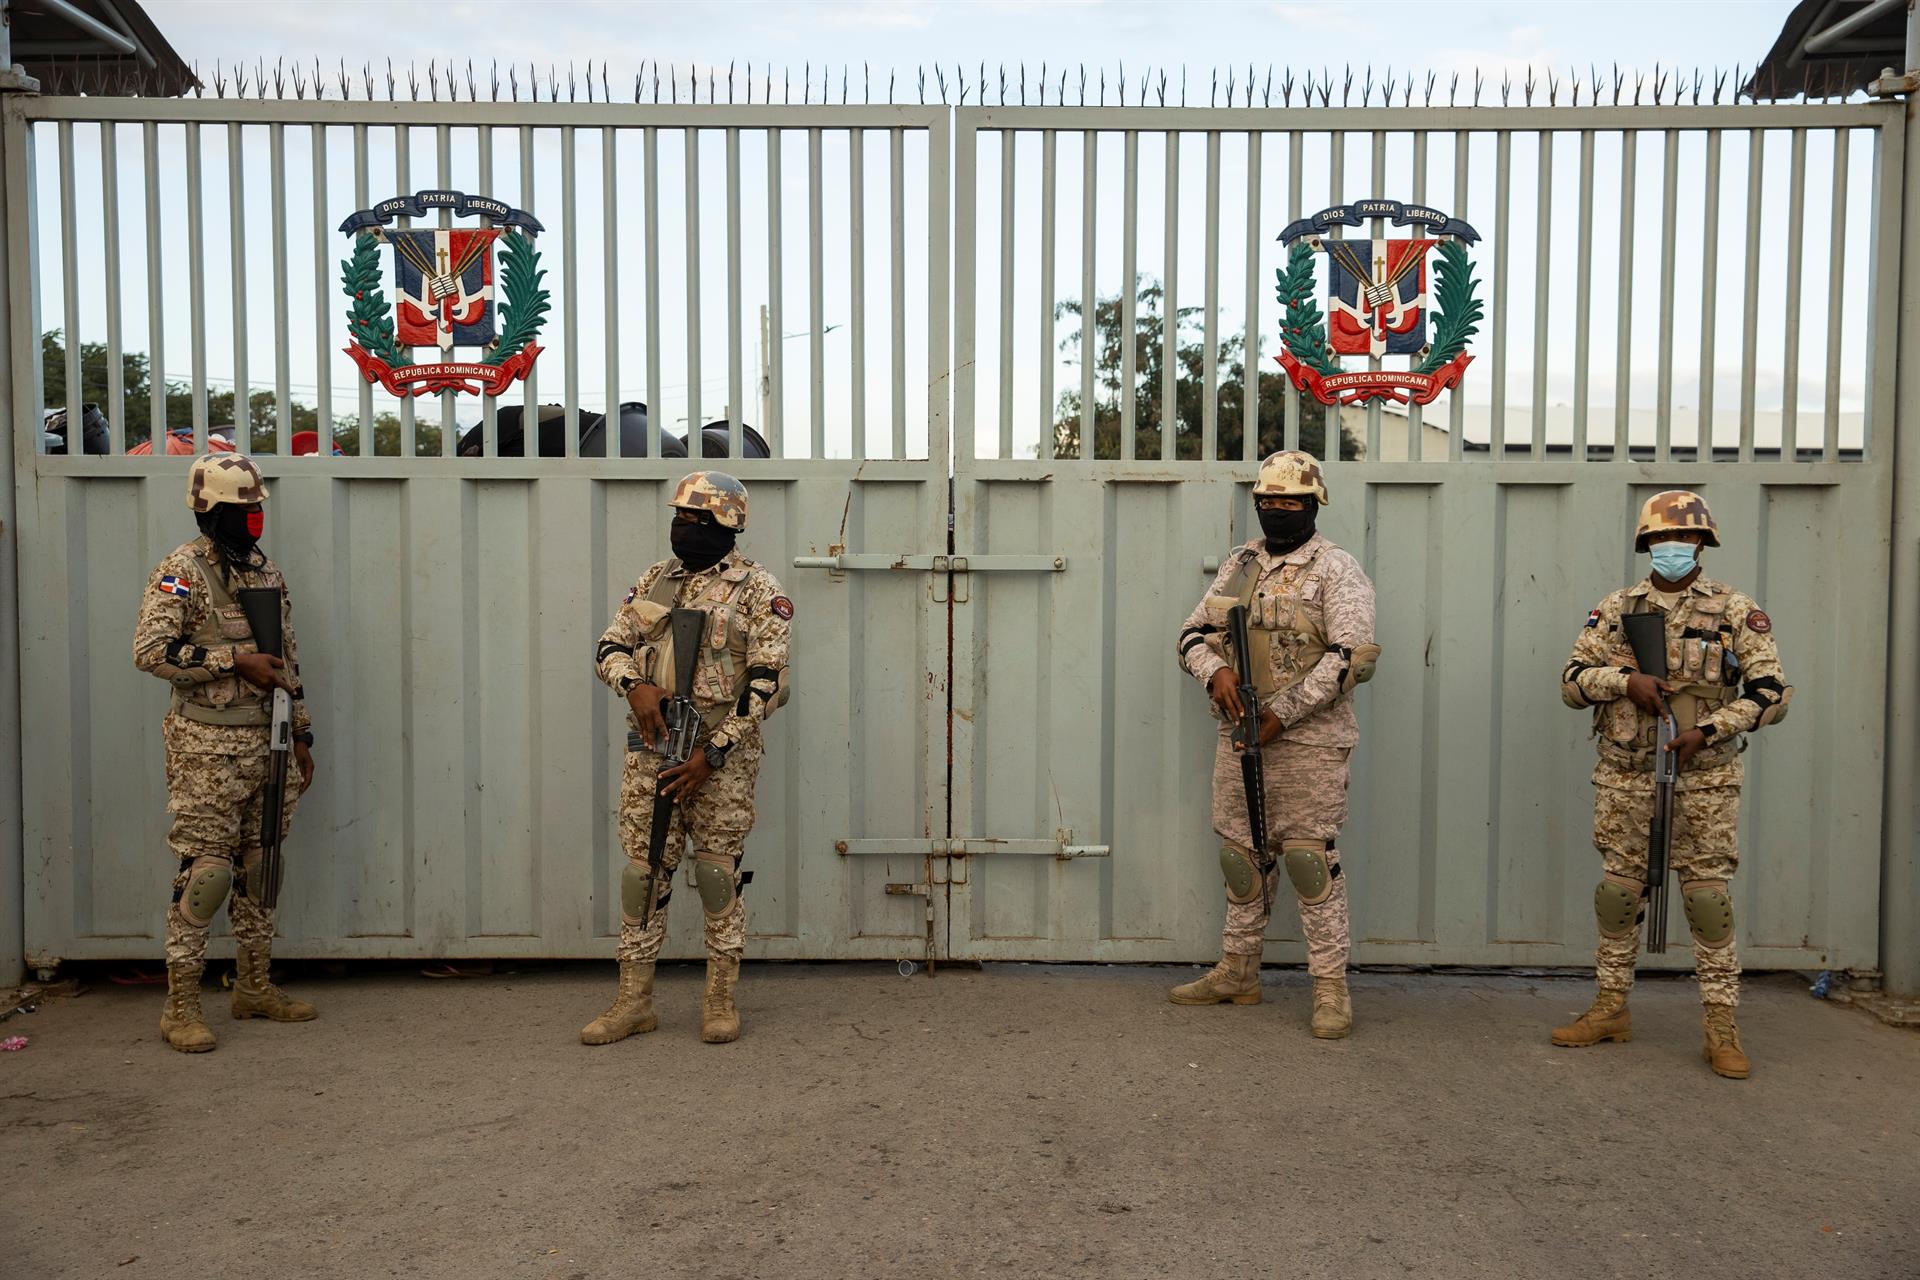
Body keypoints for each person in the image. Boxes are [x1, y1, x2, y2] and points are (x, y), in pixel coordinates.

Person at [1554, 490, 1792, 1079]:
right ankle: (1611, 1009)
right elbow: (1572, 681)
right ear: (1646, 544)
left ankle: (1721, 1027)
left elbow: (1772, 693)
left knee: (1706, 900)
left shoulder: (1735, 609)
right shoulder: (1617, 607)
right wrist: (1624, 681)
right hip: (1626, 774)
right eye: (1661, 539)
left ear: (1703, 544)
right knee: (1618, 895)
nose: (1673, 548)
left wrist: (1711, 729)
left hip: (1705, 779)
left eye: (1684, 539)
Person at [1170, 451, 1380, 1038]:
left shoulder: (1336, 569)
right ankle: (1238, 971)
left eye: (1290, 502)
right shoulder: (1241, 565)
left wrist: (1282, 716)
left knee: (1310, 860)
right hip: (1241, 732)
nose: (1278, 511)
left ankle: (1331, 990)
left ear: (1313, 504)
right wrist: (1214, 671)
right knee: (1242, 855)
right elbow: (1192, 633)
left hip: (1309, 740)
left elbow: (1352, 657)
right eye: (1268, 501)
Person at [585, 471, 792, 1046]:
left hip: (719, 757)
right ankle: (633, 1002)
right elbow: (610, 645)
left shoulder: (757, 589)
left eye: (696, 521)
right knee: (642, 875)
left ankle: (720, 1000)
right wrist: (634, 687)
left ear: (728, 525)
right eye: (678, 518)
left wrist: (713, 753)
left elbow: (767, 682)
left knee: (715, 875)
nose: (683, 529)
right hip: (653, 749)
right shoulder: (657, 579)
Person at [132, 452, 317, 1052]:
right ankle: (180, 1006)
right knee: (206, 874)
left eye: (258, 506)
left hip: (271, 740)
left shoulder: (265, 572)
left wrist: (304, 732)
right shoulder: (181, 571)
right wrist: (230, 660)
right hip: (207, 748)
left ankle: (254, 987)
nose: (254, 518)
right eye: (243, 509)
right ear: (209, 510)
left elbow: (285, 656)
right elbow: (150, 652)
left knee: (261, 868)